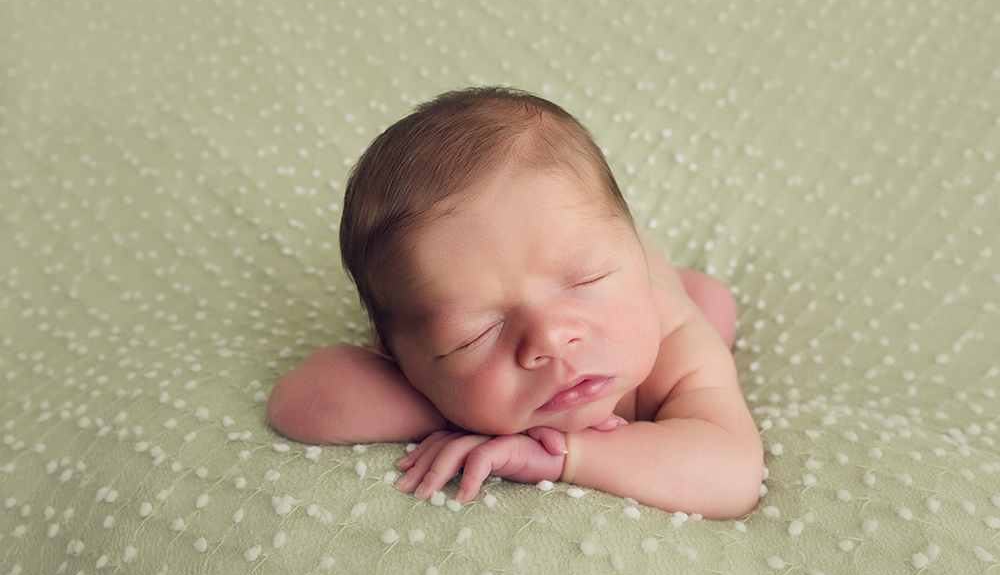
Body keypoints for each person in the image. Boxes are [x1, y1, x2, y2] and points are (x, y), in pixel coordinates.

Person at [267, 87, 763, 519]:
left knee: (714, 307)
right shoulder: (425, 366)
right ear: (402, 361)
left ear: (629, 254)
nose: (550, 337)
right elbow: (297, 403)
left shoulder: (674, 342)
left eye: (586, 279)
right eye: (475, 335)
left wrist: (563, 453)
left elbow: (731, 473)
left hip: (670, 285)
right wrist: (457, 407)